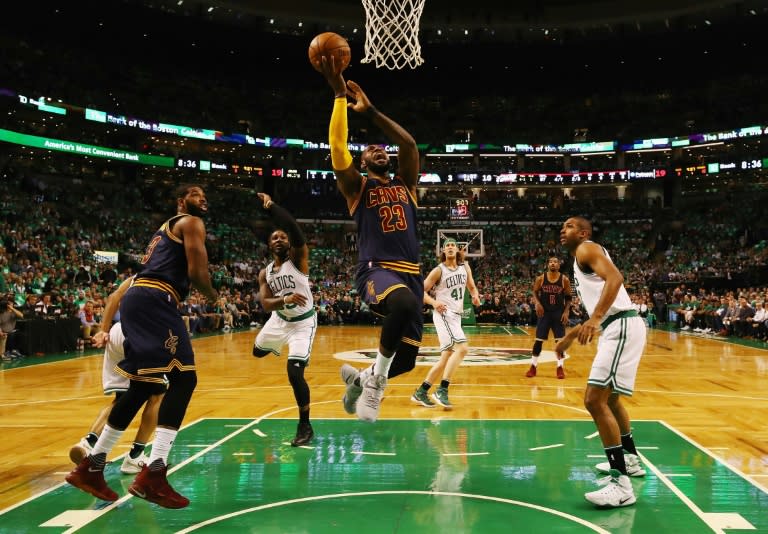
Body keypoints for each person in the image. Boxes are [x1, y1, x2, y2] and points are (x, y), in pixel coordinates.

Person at [66, 184, 218, 509]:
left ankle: (92, 467)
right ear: (181, 202)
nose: (202, 198)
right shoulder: (190, 222)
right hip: (155, 298)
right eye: (195, 193)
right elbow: (197, 272)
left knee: (141, 387)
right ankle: (154, 473)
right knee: (184, 378)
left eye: (205, 195)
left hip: (139, 299)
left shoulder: (164, 231)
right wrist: (215, 295)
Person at [319, 56, 423, 423]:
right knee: (405, 306)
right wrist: (337, 95)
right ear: (362, 163)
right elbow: (336, 145)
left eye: (382, 149)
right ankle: (376, 384)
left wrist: (373, 111)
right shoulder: (357, 187)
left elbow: (409, 145)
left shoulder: (406, 185)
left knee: (408, 360)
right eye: (369, 150)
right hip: (376, 269)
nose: (379, 150)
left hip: (411, 273)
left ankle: (361, 379)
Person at [558, 216, 646, 508]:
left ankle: (620, 484)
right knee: (611, 401)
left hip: (619, 327)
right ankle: (630, 460)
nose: (563, 229)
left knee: (595, 400)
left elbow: (616, 279)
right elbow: (603, 302)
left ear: (582, 232)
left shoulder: (586, 248)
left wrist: (595, 320)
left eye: (569, 226)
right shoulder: (580, 260)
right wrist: (571, 337)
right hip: (619, 326)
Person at [68, 275, 165, 475]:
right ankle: (136, 455)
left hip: (117, 331)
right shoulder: (168, 276)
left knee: (121, 398)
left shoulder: (136, 277)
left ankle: (88, 443)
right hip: (141, 333)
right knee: (157, 394)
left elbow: (113, 297)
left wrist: (103, 331)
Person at [251, 192, 316, 447]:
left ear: (289, 243)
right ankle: (275, 346)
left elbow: (294, 229)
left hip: (303, 322)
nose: (279, 238)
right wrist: (285, 300)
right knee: (256, 352)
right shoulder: (264, 273)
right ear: (269, 245)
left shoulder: (299, 259)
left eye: (283, 236)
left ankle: (305, 425)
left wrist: (272, 207)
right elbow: (266, 304)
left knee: (294, 372)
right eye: (274, 237)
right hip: (279, 320)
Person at [412, 238, 480, 409]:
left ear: (457, 250)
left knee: (446, 358)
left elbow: (471, 287)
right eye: (447, 246)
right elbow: (420, 291)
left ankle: (421, 391)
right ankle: (442, 390)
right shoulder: (438, 270)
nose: (450, 247)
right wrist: (434, 303)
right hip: (443, 313)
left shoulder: (465, 267)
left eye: (452, 245)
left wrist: (475, 296)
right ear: (443, 251)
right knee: (463, 349)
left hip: (456, 316)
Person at [525, 255, 572, 379]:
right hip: (544, 313)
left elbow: (568, 298)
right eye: (550, 261)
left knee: (560, 343)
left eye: (555, 262)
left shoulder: (564, 280)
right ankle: (533, 366)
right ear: (548, 264)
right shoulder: (541, 278)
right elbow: (534, 291)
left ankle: (560, 367)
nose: (552, 263)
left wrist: (566, 312)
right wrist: (537, 303)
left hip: (558, 313)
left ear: (558, 265)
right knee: (538, 341)